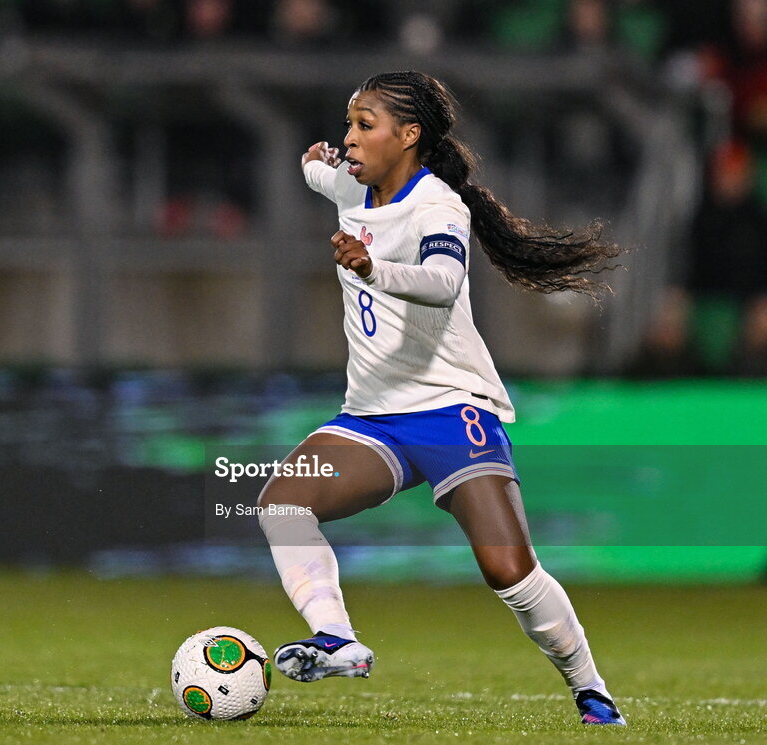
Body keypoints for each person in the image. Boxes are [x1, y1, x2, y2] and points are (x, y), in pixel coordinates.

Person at [257, 71, 626, 726]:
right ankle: (337, 639)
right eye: (349, 123)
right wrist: (314, 160)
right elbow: (322, 173)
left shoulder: (438, 209)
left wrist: (374, 268)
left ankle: (591, 690)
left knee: (508, 568)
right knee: (282, 499)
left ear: (409, 135)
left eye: (364, 124)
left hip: (451, 408)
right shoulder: (355, 188)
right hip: (373, 416)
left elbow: (440, 281)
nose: (350, 136)